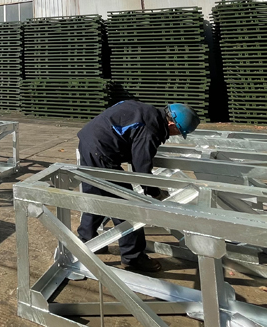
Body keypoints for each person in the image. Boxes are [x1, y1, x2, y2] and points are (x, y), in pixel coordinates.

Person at [77, 100, 200, 273]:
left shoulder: (148, 112)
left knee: (98, 195)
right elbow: (141, 166)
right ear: (172, 123)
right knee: (128, 206)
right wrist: (153, 192)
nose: (175, 135)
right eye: (178, 132)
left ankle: (87, 239)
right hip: (101, 152)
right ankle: (133, 258)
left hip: (89, 142)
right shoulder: (151, 129)